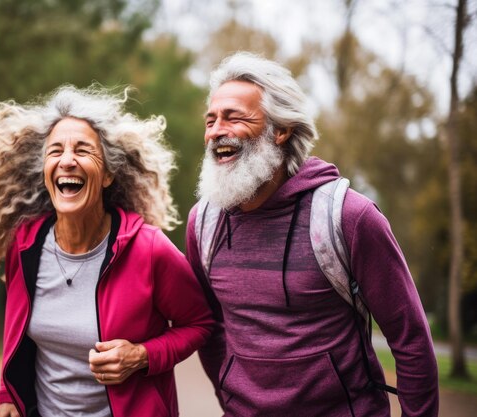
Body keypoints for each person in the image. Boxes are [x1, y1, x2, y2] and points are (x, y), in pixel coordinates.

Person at [0, 85, 214, 417]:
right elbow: (16, 327)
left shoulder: (148, 249)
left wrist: (142, 355)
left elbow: (199, 322)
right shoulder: (25, 244)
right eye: (55, 151)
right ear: (45, 172)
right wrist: (7, 393)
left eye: (82, 150)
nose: (67, 161)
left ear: (107, 174)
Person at [185, 51, 438, 417]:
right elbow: (209, 326)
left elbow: (411, 340)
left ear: (281, 129)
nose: (216, 131)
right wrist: (231, 400)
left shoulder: (349, 217)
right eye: (211, 120)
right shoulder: (203, 223)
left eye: (234, 117)